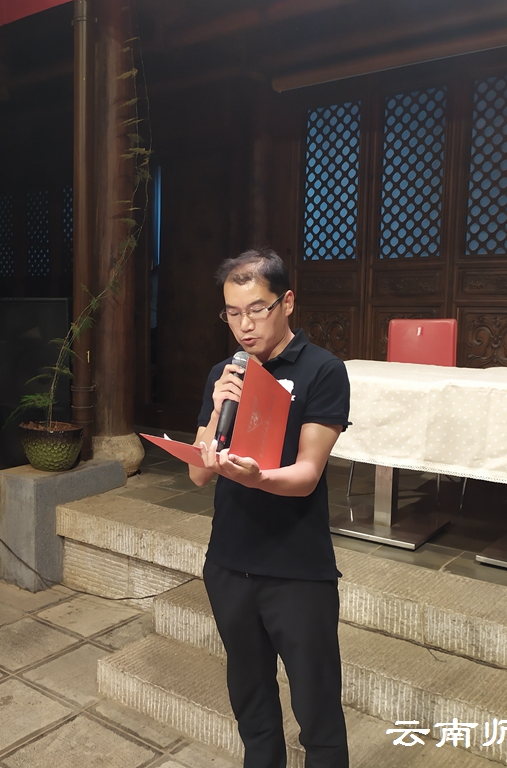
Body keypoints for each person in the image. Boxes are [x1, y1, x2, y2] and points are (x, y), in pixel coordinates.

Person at [190, 248, 350, 768]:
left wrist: (258, 477)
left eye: (256, 309)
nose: (244, 325)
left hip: (296, 568)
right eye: (233, 313)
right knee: (251, 701)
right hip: (229, 564)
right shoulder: (225, 373)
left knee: (317, 709)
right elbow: (198, 472)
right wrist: (217, 408)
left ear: (287, 302)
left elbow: (307, 475)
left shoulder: (322, 370)